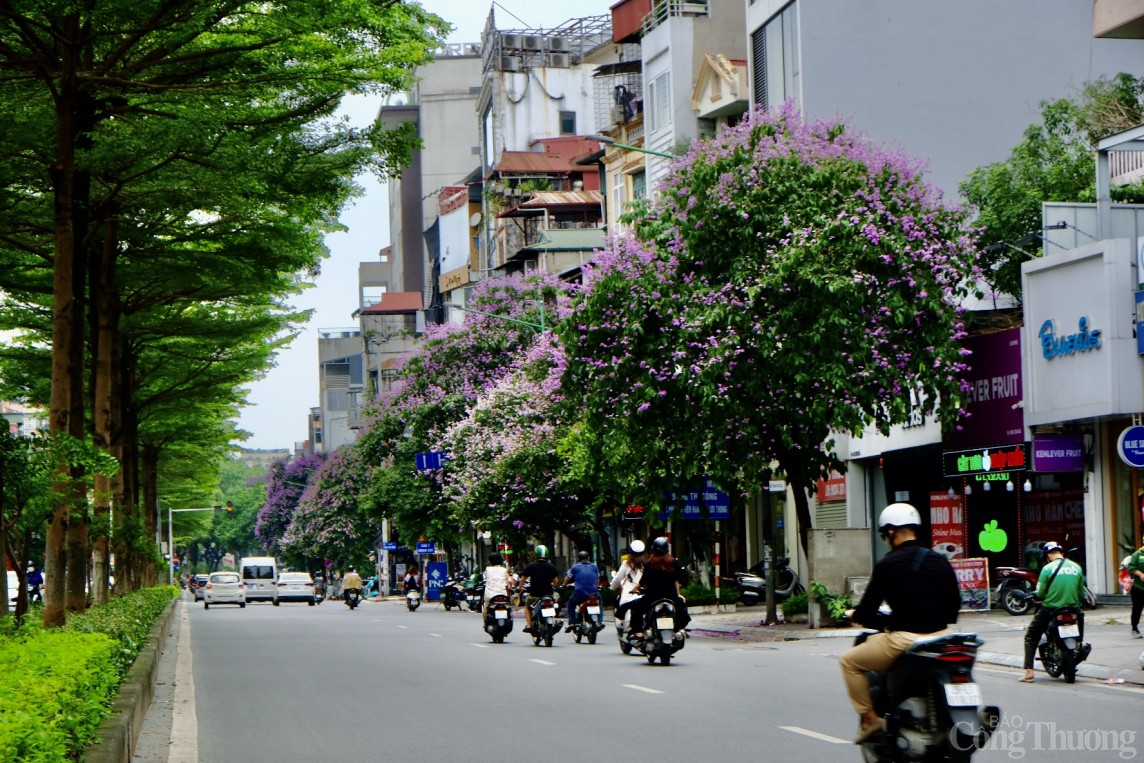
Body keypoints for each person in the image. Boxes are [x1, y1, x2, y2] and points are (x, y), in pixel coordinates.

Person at [840, 503, 960, 744]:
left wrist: (854, 615)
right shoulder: (940, 561)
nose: (886, 539)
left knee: (849, 662)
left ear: (892, 532)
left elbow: (866, 613)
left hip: (904, 640)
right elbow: (953, 609)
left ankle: (871, 719)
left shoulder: (888, 564)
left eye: (885, 535)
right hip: (942, 637)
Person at [1020, 541, 1088, 682]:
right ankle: (1079, 645)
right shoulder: (1077, 567)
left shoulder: (1047, 569)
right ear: (1061, 553)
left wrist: (1036, 595)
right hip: (1073, 608)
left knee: (1031, 636)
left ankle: (1029, 672)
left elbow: (1040, 594)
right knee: (1080, 624)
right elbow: (1081, 594)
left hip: (1051, 609)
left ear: (1049, 555)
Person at [629, 537, 690, 640]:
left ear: (653, 549)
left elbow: (643, 582)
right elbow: (677, 581)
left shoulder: (649, 563)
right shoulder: (674, 562)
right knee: (682, 607)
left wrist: (634, 589)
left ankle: (638, 632)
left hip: (652, 598)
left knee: (635, 606)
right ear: (667, 549)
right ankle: (680, 628)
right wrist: (677, 595)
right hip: (671, 597)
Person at [518, 545, 560, 634]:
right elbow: (556, 581)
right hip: (548, 594)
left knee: (527, 607)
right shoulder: (551, 566)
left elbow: (522, 579)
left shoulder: (531, 566)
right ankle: (553, 621)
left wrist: (519, 588)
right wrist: (553, 586)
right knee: (553, 606)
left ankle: (529, 625)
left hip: (534, 595)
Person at [563, 550, 603, 632]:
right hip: (594, 593)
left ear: (579, 559)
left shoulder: (575, 567)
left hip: (580, 594)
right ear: (588, 558)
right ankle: (599, 621)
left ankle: (572, 623)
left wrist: (564, 585)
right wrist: (597, 586)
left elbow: (568, 578)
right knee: (600, 602)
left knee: (571, 603)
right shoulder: (594, 566)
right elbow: (597, 579)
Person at [610, 540, 645, 626]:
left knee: (621, 610)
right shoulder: (649, 563)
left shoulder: (627, 563)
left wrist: (612, 588)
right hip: (647, 594)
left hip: (631, 595)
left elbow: (618, 579)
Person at [1128, 537, 1144, 639]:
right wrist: (1141, 574)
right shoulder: (1137, 555)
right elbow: (1131, 567)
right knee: (1137, 608)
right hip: (1138, 588)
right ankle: (1134, 627)